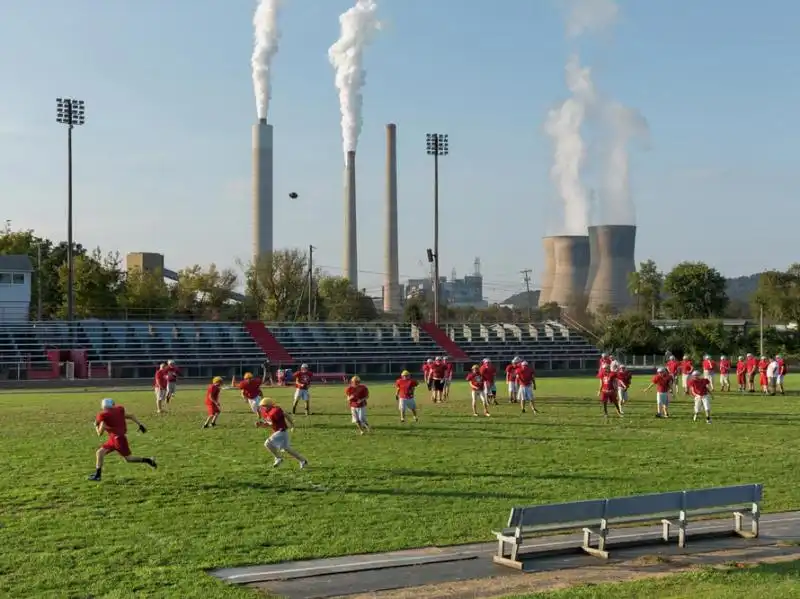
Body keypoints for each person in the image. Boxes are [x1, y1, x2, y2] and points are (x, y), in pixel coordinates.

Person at [89, 398, 157, 481]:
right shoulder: (119, 410)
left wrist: (96, 425)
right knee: (99, 453)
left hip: (118, 439)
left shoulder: (103, 415)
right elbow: (131, 415)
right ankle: (98, 475)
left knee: (129, 459)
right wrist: (140, 424)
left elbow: (99, 433)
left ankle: (149, 460)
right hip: (114, 439)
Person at [256, 398, 307, 468]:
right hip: (279, 432)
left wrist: (292, 425)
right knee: (287, 449)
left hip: (281, 431)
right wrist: (261, 424)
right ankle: (303, 460)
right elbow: (270, 424)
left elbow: (286, 415)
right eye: (262, 406)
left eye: (265, 406)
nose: (263, 408)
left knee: (267, 443)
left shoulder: (276, 410)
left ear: (270, 405)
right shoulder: (265, 412)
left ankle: (278, 458)